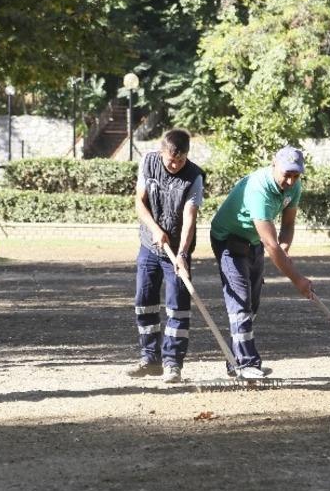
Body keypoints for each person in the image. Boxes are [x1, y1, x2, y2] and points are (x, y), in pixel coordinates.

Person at [209, 145, 315, 378]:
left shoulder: (294, 187)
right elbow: (270, 244)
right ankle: (247, 364)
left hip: (253, 240)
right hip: (229, 240)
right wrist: (298, 280)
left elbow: (287, 225)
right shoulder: (259, 188)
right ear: (273, 166)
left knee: (252, 303)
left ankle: (235, 359)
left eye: (296, 175)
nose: (291, 181)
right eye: (287, 174)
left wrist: (285, 247)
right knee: (241, 301)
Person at [126, 129, 205, 383]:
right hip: (150, 245)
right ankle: (150, 358)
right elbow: (140, 202)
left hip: (177, 251)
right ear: (162, 152)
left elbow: (190, 219)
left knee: (178, 307)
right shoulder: (148, 162)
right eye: (171, 160)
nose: (175, 165)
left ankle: (173, 363)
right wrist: (155, 229)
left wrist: (181, 254)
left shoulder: (194, 176)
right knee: (144, 301)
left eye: (180, 161)